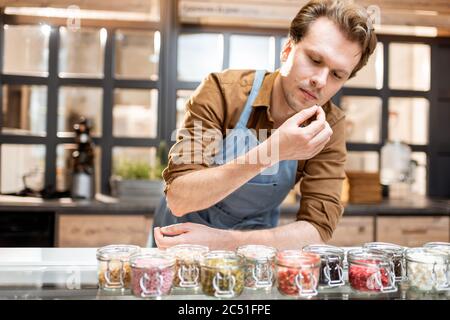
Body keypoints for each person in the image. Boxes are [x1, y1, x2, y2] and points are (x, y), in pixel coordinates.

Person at [150, 0, 377, 250]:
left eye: (337, 75)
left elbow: (317, 229)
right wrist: (272, 151)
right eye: (314, 59)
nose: (320, 81)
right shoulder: (222, 92)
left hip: (253, 254)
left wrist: (223, 242)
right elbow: (180, 197)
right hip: (179, 245)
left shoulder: (328, 126)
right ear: (288, 49)